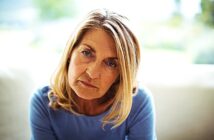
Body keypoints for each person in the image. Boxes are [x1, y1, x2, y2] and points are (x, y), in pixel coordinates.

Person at [29, 9, 156, 140]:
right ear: (70, 53)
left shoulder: (137, 102)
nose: (92, 73)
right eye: (87, 53)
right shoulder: (43, 101)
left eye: (111, 63)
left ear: (121, 74)